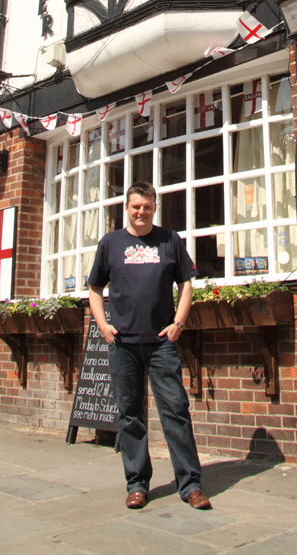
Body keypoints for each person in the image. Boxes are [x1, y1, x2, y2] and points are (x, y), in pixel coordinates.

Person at [88, 181, 211, 510]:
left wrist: (179, 323)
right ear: (125, 208)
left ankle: (190, 484)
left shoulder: (169, 239)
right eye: (135, 206)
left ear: (154, 209)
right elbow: (95, 289)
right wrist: (103, 325)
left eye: (147, 207)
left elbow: (186, 284)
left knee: (176, 411)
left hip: (161, 343)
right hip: (123, 344)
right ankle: (137, 483)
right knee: (130, 415)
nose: (141, 212)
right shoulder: (110, 243)